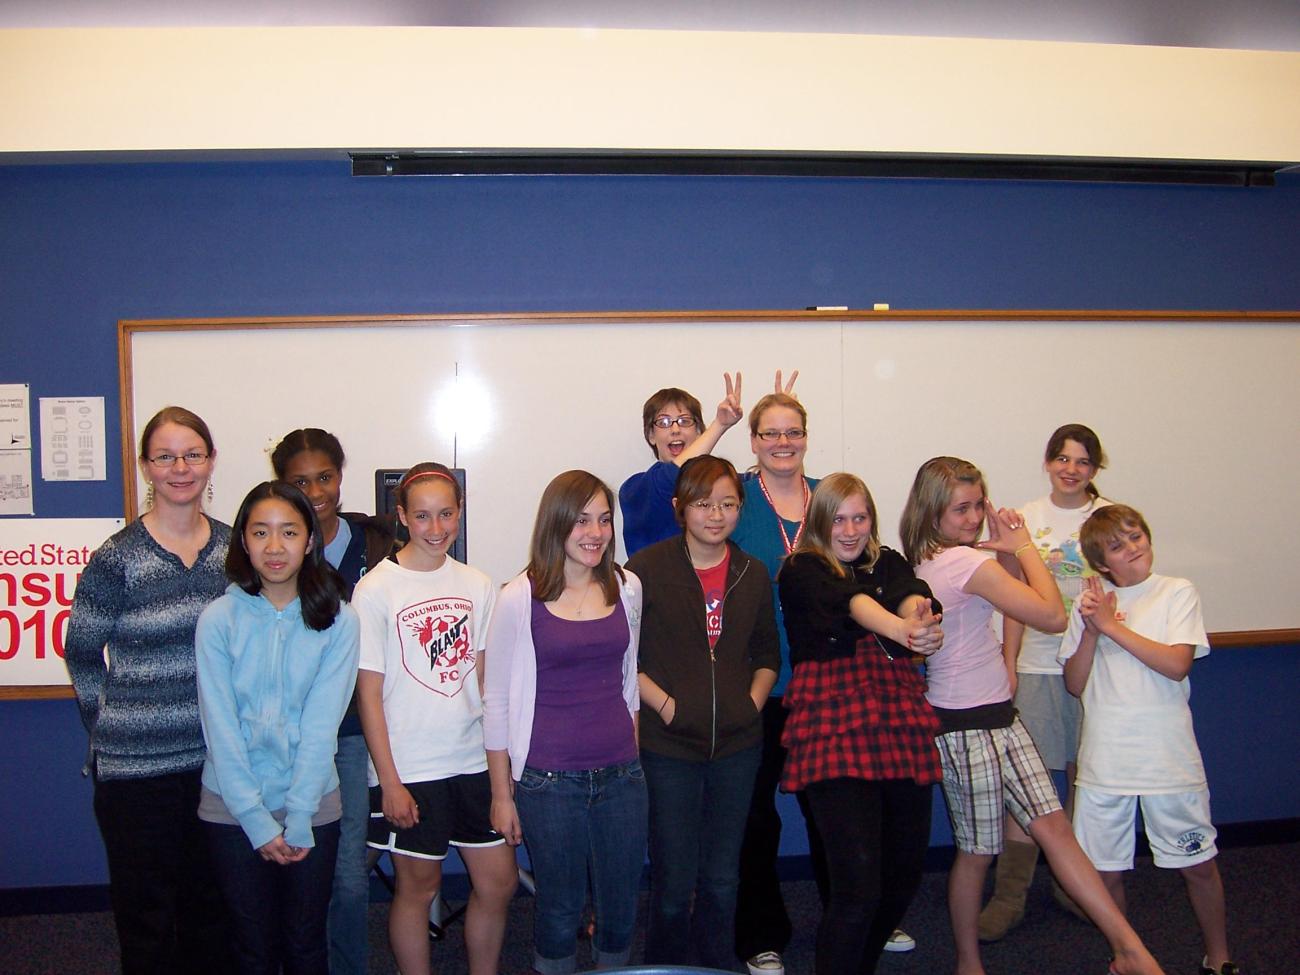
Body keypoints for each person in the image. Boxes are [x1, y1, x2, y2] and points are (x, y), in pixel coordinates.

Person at [901, 456, 1164, 975]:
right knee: (978, 853)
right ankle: (968, 962)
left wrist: (1012, 570)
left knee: (1055, 832)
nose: (974, 517)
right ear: (932, 511)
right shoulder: (959, 564)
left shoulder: (957, 558)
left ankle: (1129, 950)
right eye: (961, 509)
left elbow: (1012, 602)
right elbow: (1049, 613)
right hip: (965, 725)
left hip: (1000, 713)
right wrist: (1022, 544)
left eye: (979, 505)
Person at [64, 405, 234, 973]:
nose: (180, 468)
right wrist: (108, 727)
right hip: (135, 772)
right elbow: (82, 652)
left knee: (211, 913)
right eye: (165, 456)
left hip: (216, 765)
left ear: (211, 461)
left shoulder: (236, 553)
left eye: (192, 454)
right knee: (148, 920)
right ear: (146, 467)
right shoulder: (118, 558)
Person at [352, 463, 518, 975]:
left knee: (498, 881)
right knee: (418, 887)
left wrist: (500, 783)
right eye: (422, 516)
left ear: (460, 513)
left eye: (446, 514)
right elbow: (369, 696)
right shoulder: (376, 589)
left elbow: (490, 687)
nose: (436, 527)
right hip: (411, 768)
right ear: (401, 516)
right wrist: (391, 782)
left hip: (471, 760)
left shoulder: (478, 584)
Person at [777, 473, 945, 975]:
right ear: (819, 522)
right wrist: (901, 630)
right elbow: (847, 602)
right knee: (856, 886)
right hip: (833, 720)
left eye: (860, 517)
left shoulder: (885, 559)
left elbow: (911, 590)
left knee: (903, 874)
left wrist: (921, 614)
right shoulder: (801, 567)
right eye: (838, 519)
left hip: (895, 716)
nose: (849, 530)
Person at [483, 470, 646, 974]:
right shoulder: (518, 596)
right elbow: (496, 697)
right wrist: (501, 794)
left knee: (621, 911)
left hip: (622, 775)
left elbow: (628, 680)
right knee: (559, 909)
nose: (595, 533)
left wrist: (632, 755)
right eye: (581, 521)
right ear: (556, 524)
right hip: (548, 781)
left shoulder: (627, 587)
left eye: (603, 520)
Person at [195, 480, 360, 974]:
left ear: (310, 540)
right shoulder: (218, 619)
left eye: (289, 532)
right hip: (231, 806)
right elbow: (219, 728)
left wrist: (300, 815)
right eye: (260, 532)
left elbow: (321, 727)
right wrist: (257, 820)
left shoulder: (338, 619)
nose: (274, 547)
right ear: (243, 541)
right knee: (251, 945)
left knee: (306, 942)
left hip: (312, 804)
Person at [1062, 505, 1235, 975]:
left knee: (1198, 865)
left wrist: (1112, 627)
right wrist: (1093, 632)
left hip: (1167, 759)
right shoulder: (1091, 604)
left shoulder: (1177, 592)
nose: (1133, 548)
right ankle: (1126, 955)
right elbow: (1075, 683)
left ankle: (1218, 955)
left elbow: (1177, 663)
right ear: (1102, 564)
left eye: (1136, 536)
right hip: (1105, 762)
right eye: (1117, 546)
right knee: (1105, 873)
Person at [627, 456, 780, 968]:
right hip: (669, 747)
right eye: (703, 504)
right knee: (674, 879)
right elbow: (625, 655)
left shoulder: (752, 572)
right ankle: (668, 966)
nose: (716, 515)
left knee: (722, 878)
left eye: (728, 504)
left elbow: (767, 654)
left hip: (738, 747)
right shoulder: (646, 570)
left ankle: (715, 964)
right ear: (679, 508)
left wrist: (751, 704)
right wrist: (667, 706)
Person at [980, 423, 1111, 941]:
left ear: (1095, 468)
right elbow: (1014, 600)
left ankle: (1075, 886)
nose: (1070, 469)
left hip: (1099, 666)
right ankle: (1011, 895)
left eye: (1082, 461)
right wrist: (1008, 662)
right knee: (1030, 782)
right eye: (1062, 458)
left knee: (1087, 779)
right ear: (1048, 461)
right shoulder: (1025, 519)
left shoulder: (1109, 518)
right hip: (1037, 665)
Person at [271, 427, 393, 975]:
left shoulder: (378, 542)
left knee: (346, 878)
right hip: (284, 733)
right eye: (300, 480)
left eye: (325, 477)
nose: (316, 490)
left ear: (341, 477)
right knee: (290, 866)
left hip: (352, 730)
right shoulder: (273, 551)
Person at [619, 373, 744, 556]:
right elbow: (672, 478)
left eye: (685, 421)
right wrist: (720, 425)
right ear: (651, 435)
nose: (675, 429)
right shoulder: (635, 489)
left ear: (699, 431)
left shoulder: (726, 484)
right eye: (664, 422)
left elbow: (770, 484)